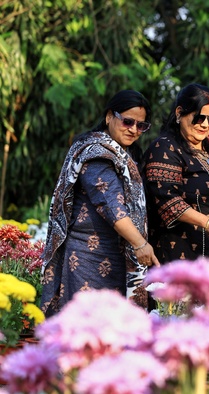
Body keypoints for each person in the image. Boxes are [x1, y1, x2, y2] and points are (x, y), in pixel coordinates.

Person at [41, 90, 159, 317]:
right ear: (108, 117)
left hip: (118, 253)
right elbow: (110, 205)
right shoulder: (96, 153)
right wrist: (140, 244)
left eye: (141, 126)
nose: (134, 130)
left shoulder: (123, 154)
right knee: (85, 330)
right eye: (127, 122)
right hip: (87, 257)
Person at [143, 83, 209, 270]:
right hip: (183, 257)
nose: (206, 125)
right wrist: (208, 222)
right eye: (199, 118)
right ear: (179, 113)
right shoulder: (165, 148)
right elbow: (167, 200)